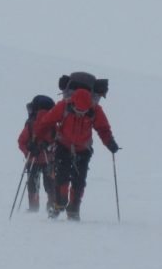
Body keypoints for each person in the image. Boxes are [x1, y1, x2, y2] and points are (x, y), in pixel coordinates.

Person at [35, 88, 119, 220]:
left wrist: (110, 143)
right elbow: (46, 122)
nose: (80, 114)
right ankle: (59, 204)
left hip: (83, 150)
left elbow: (103, 129)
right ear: (73, 104)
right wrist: (37, 140)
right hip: (63, 147)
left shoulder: (95, 110)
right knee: (61, 177)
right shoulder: (63, 106)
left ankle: (74, 209)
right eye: (78, 111)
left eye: (83, 111)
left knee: (79, 181)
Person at [17, 95, 56, 212]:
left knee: (32, 184)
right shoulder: (53, 124)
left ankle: (33, 208)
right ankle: (52, 206)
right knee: (51, 185)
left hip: (32, 159)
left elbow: (21, 141)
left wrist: (28, 150)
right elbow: (58, 141)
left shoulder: (30, 124)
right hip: (49, 159)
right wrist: (49, 146)